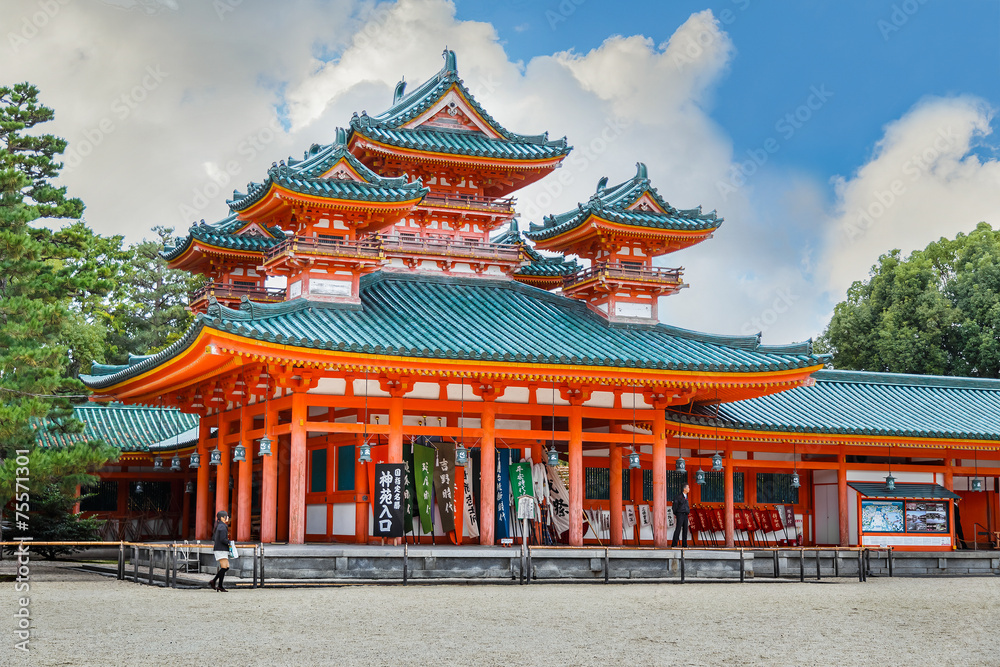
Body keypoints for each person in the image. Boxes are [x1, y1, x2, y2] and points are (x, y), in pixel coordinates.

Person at [208, 510, 231, 592]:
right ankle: (215, 582)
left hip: (220, 549)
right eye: (226, 516)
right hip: (221, 549)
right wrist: (229, 542)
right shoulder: (222, 526)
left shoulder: (220, 525)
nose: (228, 517)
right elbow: (223, 539)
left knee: (225, 567)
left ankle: (218, 584)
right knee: (225, 567)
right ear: (222, 518)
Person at [670, 484, 691, 548]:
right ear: (684, 489)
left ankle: (684, 544)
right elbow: (675, 506)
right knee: (678, 529)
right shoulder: (678, 497)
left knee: (685, 529)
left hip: (685, 514)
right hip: (680, 514)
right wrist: (677, 513)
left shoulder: (686, 496)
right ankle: (674, 544)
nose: (689, 489)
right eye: (688, 487)